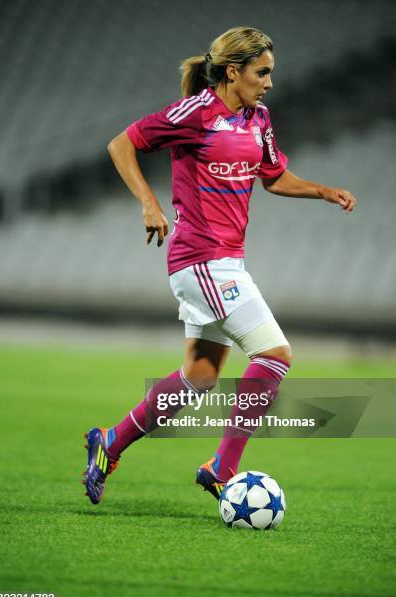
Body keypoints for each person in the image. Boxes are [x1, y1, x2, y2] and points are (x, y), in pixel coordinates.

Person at [83, 26, 356, 504]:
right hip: (201, 257)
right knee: (274, 355)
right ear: (234, 71)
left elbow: (272, 176)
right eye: (261, 72)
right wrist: (149, 203)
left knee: (200, 376)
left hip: (225, 261)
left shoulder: (259, 118)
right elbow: (121, 144)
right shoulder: (195, 113)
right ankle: (222, 467)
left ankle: (109, 442)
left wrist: (322, 190)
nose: (269, 82)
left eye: (271, 73)